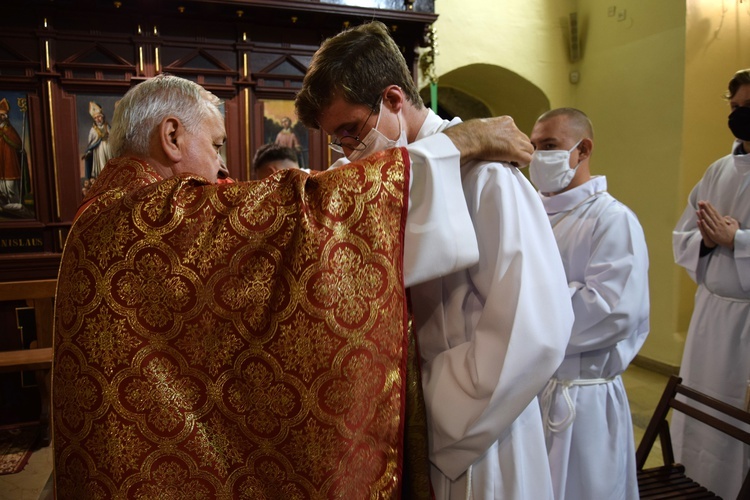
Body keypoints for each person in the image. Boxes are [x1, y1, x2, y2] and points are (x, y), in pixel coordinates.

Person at [52, 73, 537, 498]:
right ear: (172, 136)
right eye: (217, 144)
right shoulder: (154, 213)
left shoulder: (105, 210)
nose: (223, 168)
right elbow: (306, 212)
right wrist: (461, 142)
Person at [295, 21, 574, 499]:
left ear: (394, 100)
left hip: (474, 436)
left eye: (349, 130)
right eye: (334, 138)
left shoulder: (487, 178)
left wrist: (429, 403)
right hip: (400, 422)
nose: (345, 152)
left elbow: (534, 326)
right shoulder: (379, 179)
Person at [528, 108, 650, 500]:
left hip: (585, 399)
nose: (537, 156)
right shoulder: (534, 216)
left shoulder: (613, 220)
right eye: (533, 147)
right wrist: (564, 291)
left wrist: (527, 300)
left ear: (583, 150)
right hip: (533, 391)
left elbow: (612, 311)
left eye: (549, 146)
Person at [672, 68, 750, 500]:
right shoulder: (719, 169)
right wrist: (705, 240)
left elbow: (730, 236)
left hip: (747, 321)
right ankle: (695, 485)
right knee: (700, 412)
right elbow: (683, 234)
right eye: (735, 107)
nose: (739, 116)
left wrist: (735, 239)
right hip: (711, 315)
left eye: (748, 108)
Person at [82, 101, 113, 180]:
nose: (98, 119)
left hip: (108, 148)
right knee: (102, 167)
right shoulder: (93, 130)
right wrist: (88, 152)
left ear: (102, 117)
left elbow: (112, 137)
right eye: (95, 118)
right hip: (98, 151)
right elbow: (90, 144)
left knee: (109, 165)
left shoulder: (107, 126)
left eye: (99, 117)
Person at [0, 98, 22, 206]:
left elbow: (17, 142)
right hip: (0, 163)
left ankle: (14, 204)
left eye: (3, 115)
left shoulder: (9, 129)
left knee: (10, 186)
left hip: (9, 162)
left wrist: (5, 133)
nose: (1, 117)